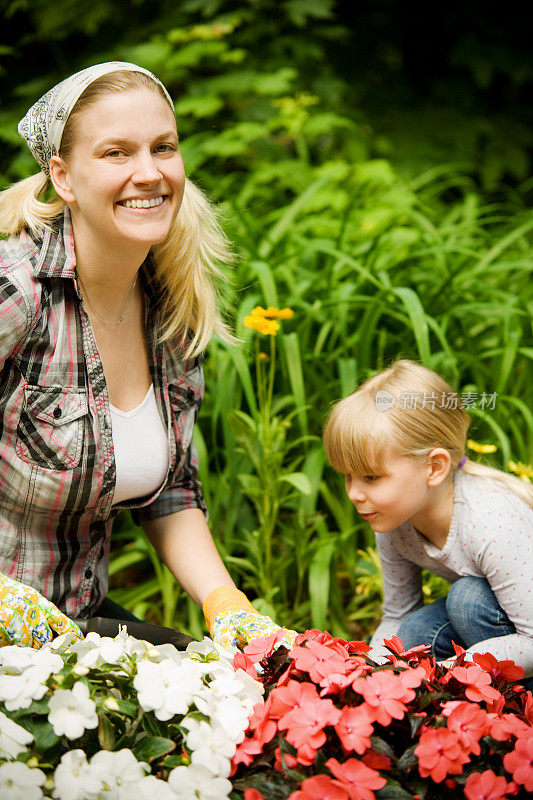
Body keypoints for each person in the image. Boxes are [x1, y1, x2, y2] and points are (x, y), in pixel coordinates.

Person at [0, 61, 294, 651]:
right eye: (116, 153)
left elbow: (172, 492)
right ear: (62, 176)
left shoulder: (171, 308)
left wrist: (229, 607)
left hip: (75, 626)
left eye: (164, 147)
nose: (149, 172)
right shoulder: (18, 291)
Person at [323, 359, 533, 680]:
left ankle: (513, 708)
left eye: (370, 477)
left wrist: (454, 671)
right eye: (347, 477)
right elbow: (397, 613)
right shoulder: (394, 520)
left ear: (434, 467)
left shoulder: (489, 521)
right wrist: (371, 671)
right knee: (413, 633)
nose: (354, 493)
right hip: (502, 624)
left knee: (467, 601)